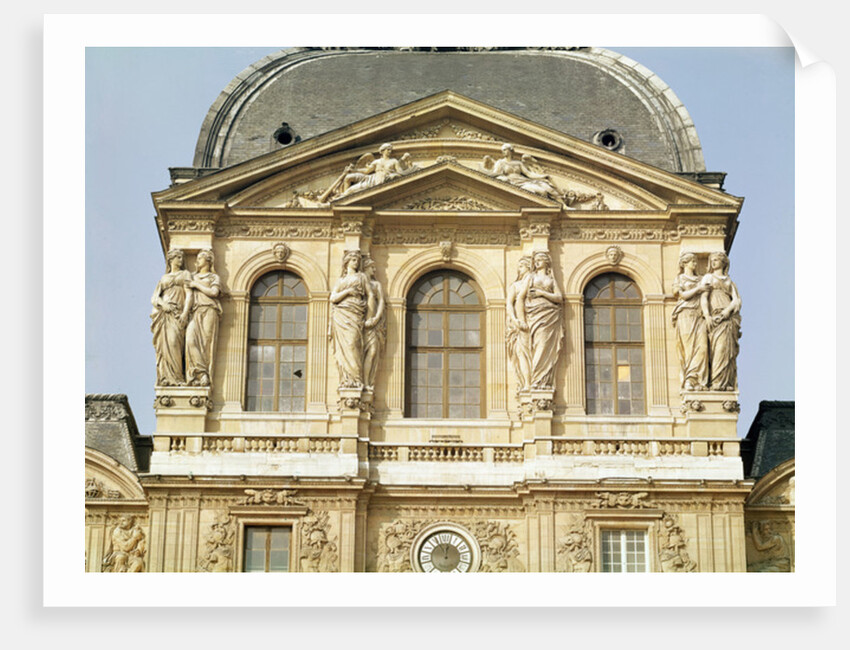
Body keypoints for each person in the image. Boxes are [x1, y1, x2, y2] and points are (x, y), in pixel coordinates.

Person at [329, 250, 372, 388]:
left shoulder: (362, 277)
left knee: (353, 344)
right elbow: (333, 298)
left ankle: (356, 379)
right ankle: (348, 381)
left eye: (357, 260)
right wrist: (347, 292)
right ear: (346, 262)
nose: (356, 262)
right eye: (353, 260)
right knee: (344, 347)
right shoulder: (341, 280)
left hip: (356, 313)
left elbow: (370, 294)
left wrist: (370, 317)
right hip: (341, 314)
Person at [521, 251, 564, 390]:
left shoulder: (551, 279)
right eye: (536, 260)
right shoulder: (531, 277)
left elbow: (559, 297)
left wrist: (542, 293)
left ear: (546, 262)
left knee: (545, 346)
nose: (537, 262)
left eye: (540, 259)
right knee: (538, 344)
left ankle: (541, 380)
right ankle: (536, 380)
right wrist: (520, 320)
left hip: (550, 315)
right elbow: (521, 297)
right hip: (534, 314)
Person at [151, 249, 193, 386]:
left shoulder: (185, 274)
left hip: (178, 313)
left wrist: (185, 313)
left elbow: (189, 295)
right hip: (165, 313)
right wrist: (163, 305)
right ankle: (169, 379)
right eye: (178, 258)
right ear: (171, 260)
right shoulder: (164, 278)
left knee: (175, 343)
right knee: (166, 345)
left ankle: (177, 377)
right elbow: (154, 298)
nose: (181, 260)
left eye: (181, 257)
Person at [700, 252, 742, 391]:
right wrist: (707, 315)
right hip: (714, 317)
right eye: (712, 260)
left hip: (727, 317)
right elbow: (704, 298)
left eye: (717, 259)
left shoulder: (729, 281)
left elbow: (736, 300)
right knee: (717, 349)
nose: (714, 262)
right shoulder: (708, 277)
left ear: (724, 262)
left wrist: (727, 311)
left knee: (725, 350)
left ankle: (723, 382)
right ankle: (716, 381)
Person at [671, 252, 709, 391]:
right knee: (688, 349)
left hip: (700, 315)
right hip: (685, 314)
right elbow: (682, 295)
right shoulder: (680, 279)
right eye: (692, 261)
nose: (695, 264)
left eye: (695, 261)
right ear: (684, 263)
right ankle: (689, 380)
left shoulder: (701, 278)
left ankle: (698, 380)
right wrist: (698, 289)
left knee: (703, 347)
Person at [185, 249, 223, 388]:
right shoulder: (192, 276)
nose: (197, 260)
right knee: (190, 340)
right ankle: (200, 372)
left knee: (206, 344)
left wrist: (197, 285)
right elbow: (188, 296)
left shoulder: (213, 277)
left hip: (209, 310)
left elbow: (214, 292)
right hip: (195, 312)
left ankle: (205, 375)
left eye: (201, 257)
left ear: (208, 261)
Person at [482, 143, 562, 202]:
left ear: (510, 150)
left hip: (524, 181)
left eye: (505, 150)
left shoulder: (518, 163)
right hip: (514, 183)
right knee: (540, 192)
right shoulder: (500, 163)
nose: (503, 152)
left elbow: (528, 174)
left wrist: (542, 176)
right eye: (502, 151)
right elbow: (496, 174)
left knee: (544, 190)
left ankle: (563, 205)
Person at [337, 143, 416, 197]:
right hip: (371, 179)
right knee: (348, 177)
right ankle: (342, 199)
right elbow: (366, 171)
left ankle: (343, 198)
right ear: (382, 151)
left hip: (381, 180)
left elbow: (400, 172)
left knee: (350, 191)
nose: (390, 151)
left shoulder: (394, 161)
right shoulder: (377, 162)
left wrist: (409, 168)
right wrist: (354, 170)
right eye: (388, 149)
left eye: (390, 150)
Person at [505, 256, 532, 393]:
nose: (519, 269)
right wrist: (515, 321)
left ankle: (534, 383)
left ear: (528, 266)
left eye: (521, 266)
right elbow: (509, 304)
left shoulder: (534, 282)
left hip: (534, 323)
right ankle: (527, 384)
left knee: (533, 354)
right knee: (522, 354)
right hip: (520, 326)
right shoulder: (515, 286)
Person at [362, 256, 386, 390]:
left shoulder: (376, 285)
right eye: (372, 267)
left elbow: (381, 300)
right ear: (366, 267)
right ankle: (363, 382)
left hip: (373, 324)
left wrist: (376, 318)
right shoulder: (359, 282)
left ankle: (367, 382)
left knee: (372, 352)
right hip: (361, 323)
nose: (374, 269)